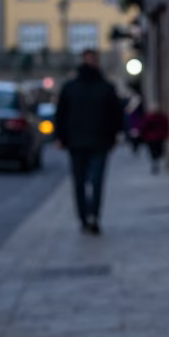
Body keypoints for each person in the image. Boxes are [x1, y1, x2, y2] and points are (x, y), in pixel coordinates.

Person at [55, 48, 123, 234]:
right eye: (89, 59)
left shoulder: (105, 88)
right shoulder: (70, 88)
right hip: (77, 143)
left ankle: (93, 215)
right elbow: (61, 114)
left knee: (97, 181)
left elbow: (116, 114)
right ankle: (84, 217)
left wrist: (115, 135)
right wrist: (60, 137)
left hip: (100, 142)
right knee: (79, 182)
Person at [141, 105, 169, 174]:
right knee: (157, 151)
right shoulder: (155, 117)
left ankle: (155, 162)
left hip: (153, 137)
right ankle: (155, 162)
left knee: (154, 151)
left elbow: (144, 127)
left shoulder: (151, 117)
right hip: (156, 137)